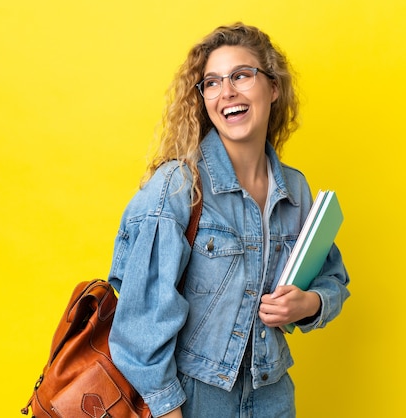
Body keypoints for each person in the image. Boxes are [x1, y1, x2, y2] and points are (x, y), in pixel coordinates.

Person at [107, 22, 350, 418]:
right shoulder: (179, 186)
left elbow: (333, 279)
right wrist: (168, 409)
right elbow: (139, 322)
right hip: (193, 397)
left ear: (273, 88)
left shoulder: (297, 190)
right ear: (202, 99)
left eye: (241, 75)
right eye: (212, 82)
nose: (227, 92)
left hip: (273, 396)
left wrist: (308, 303)